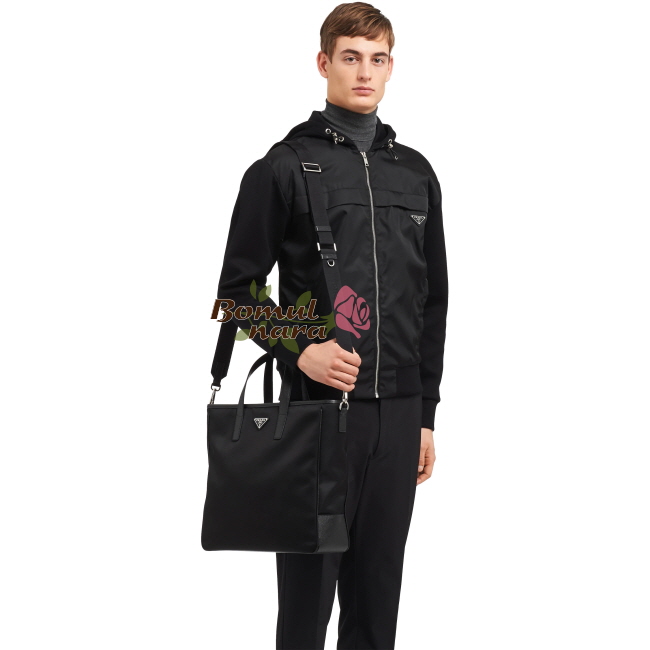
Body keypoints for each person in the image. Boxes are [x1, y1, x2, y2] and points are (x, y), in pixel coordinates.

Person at [215, 3, 448, 648]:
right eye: (350, 57)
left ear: (392, 67)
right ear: (324, 64)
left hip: (398, 418)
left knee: (377, 611)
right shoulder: (283, 166)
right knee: (306, 612)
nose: (364, 72)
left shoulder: (417, 174)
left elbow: (433, 302)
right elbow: (235, 295)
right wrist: (301, 350)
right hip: (317, 417)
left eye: (378, 59)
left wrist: (425, 414)